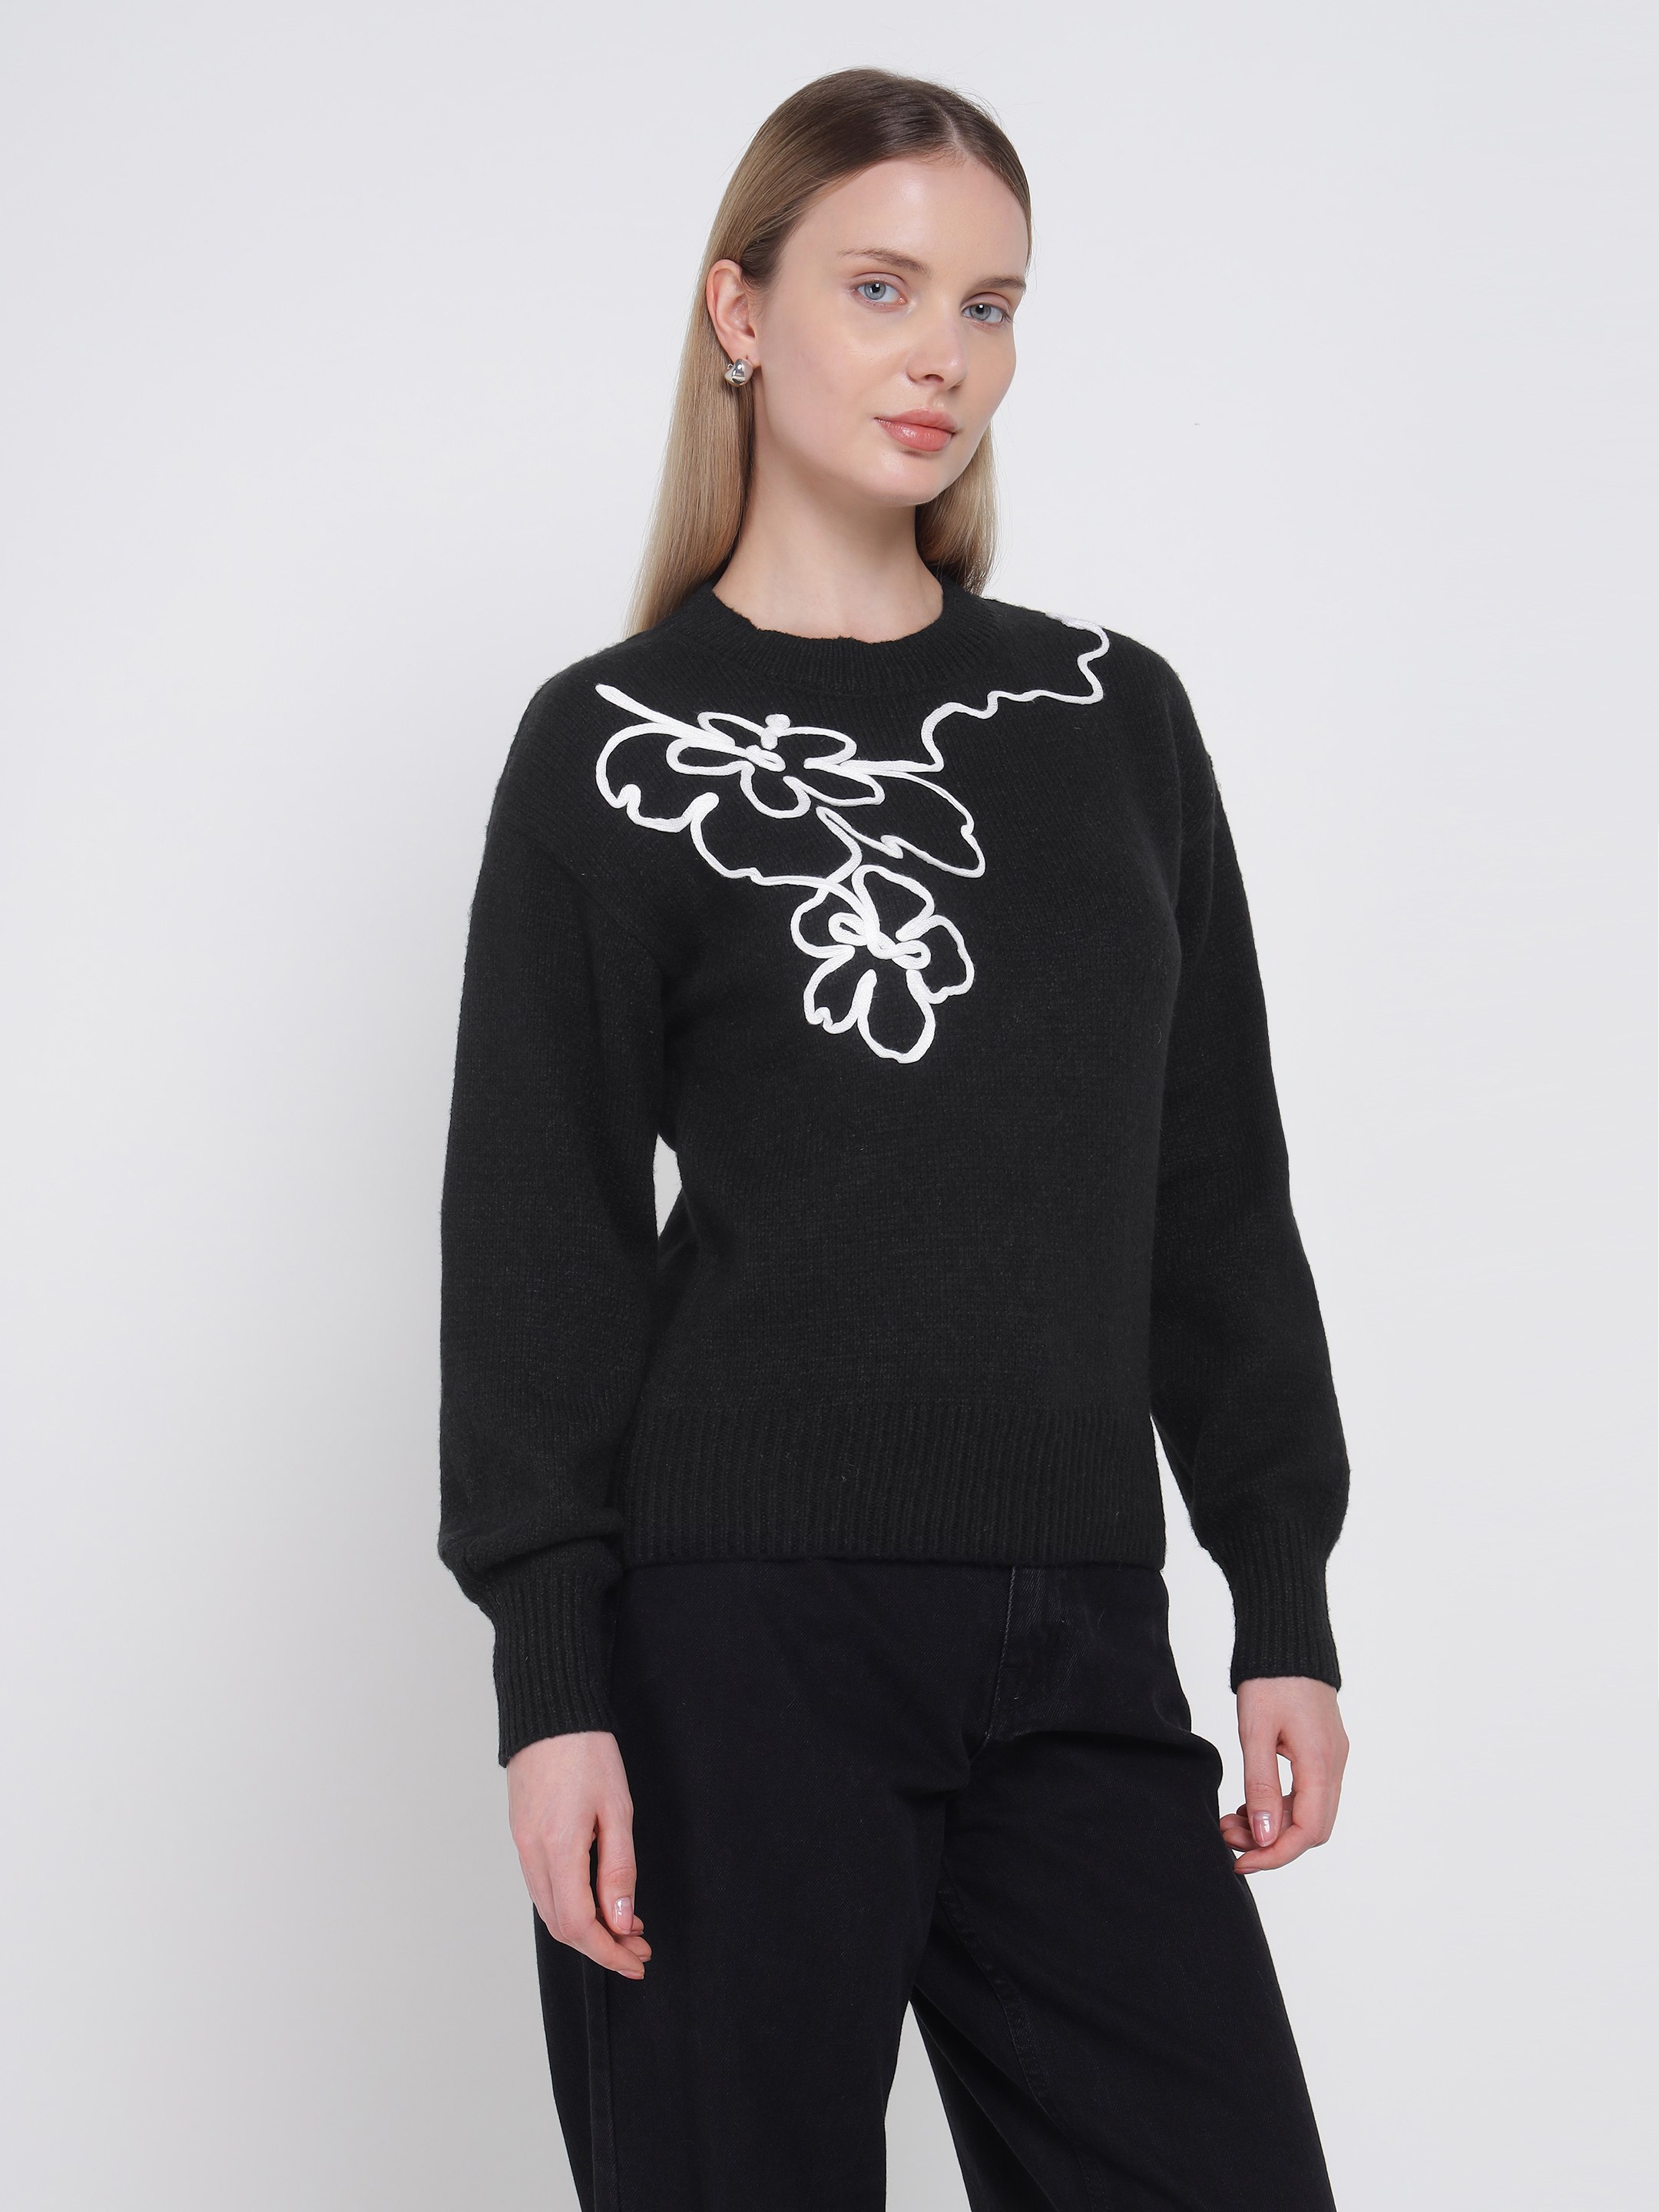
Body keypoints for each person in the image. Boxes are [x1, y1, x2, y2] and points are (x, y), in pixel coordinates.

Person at [437, 64, 1352, 2212]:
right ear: (740, 311)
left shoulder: (1112, 719)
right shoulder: (615, 745)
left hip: (1082, 1627)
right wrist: (553, 1685)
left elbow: (1213, 1192)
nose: (945, 353)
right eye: (881, 287)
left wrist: (1281, 1593)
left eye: (990, 304)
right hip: (734, 1650)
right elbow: (538, 1241)